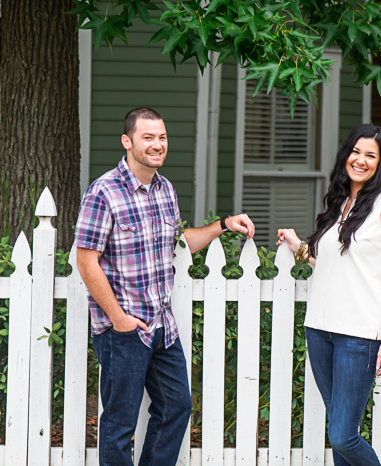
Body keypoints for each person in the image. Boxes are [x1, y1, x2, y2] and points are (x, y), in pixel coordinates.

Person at [75, 107, 255, 466]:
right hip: (124, 331)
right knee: (118, 425)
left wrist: (222, 224)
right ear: (127, 142)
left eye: (162, 137)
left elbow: (178, 240)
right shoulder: (104, 192)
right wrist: (119, 318)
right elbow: (86, 260)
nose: (157, 145)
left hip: (162, 327)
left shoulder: (165, 189)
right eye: (148, 137)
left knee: (177, 408)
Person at [277, 124, 381, 466]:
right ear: (346, 155)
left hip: (359, 334)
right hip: (320, 328)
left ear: (380, 163)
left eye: (371, 155)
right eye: (356, 152)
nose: (361, 161)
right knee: (338, 429)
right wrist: (299, 246)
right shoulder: (340, 199)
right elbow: (334, 262)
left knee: (342, 434)